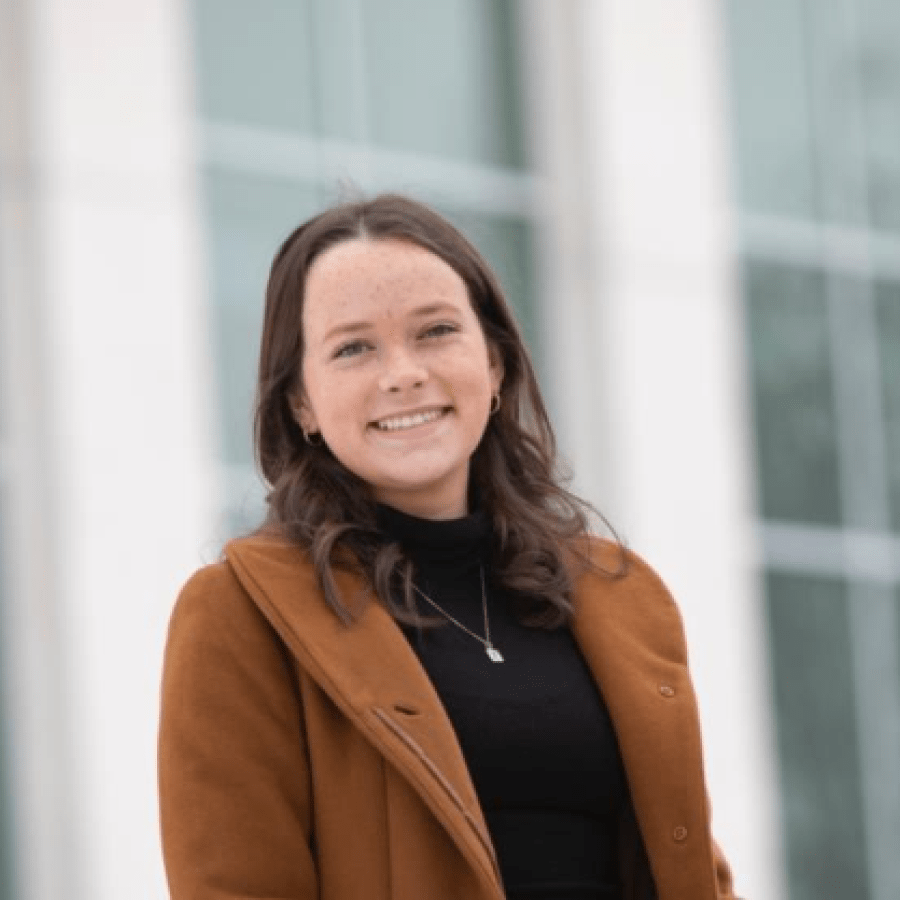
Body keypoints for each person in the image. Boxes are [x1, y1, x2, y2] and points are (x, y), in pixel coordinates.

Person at [157, 194, 741, 900]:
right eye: (353, 347)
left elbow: (690, 868)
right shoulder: (242, 616)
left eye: (435, 331)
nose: (402, 372)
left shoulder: (619, 596)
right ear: (301, 405)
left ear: (494, 366)